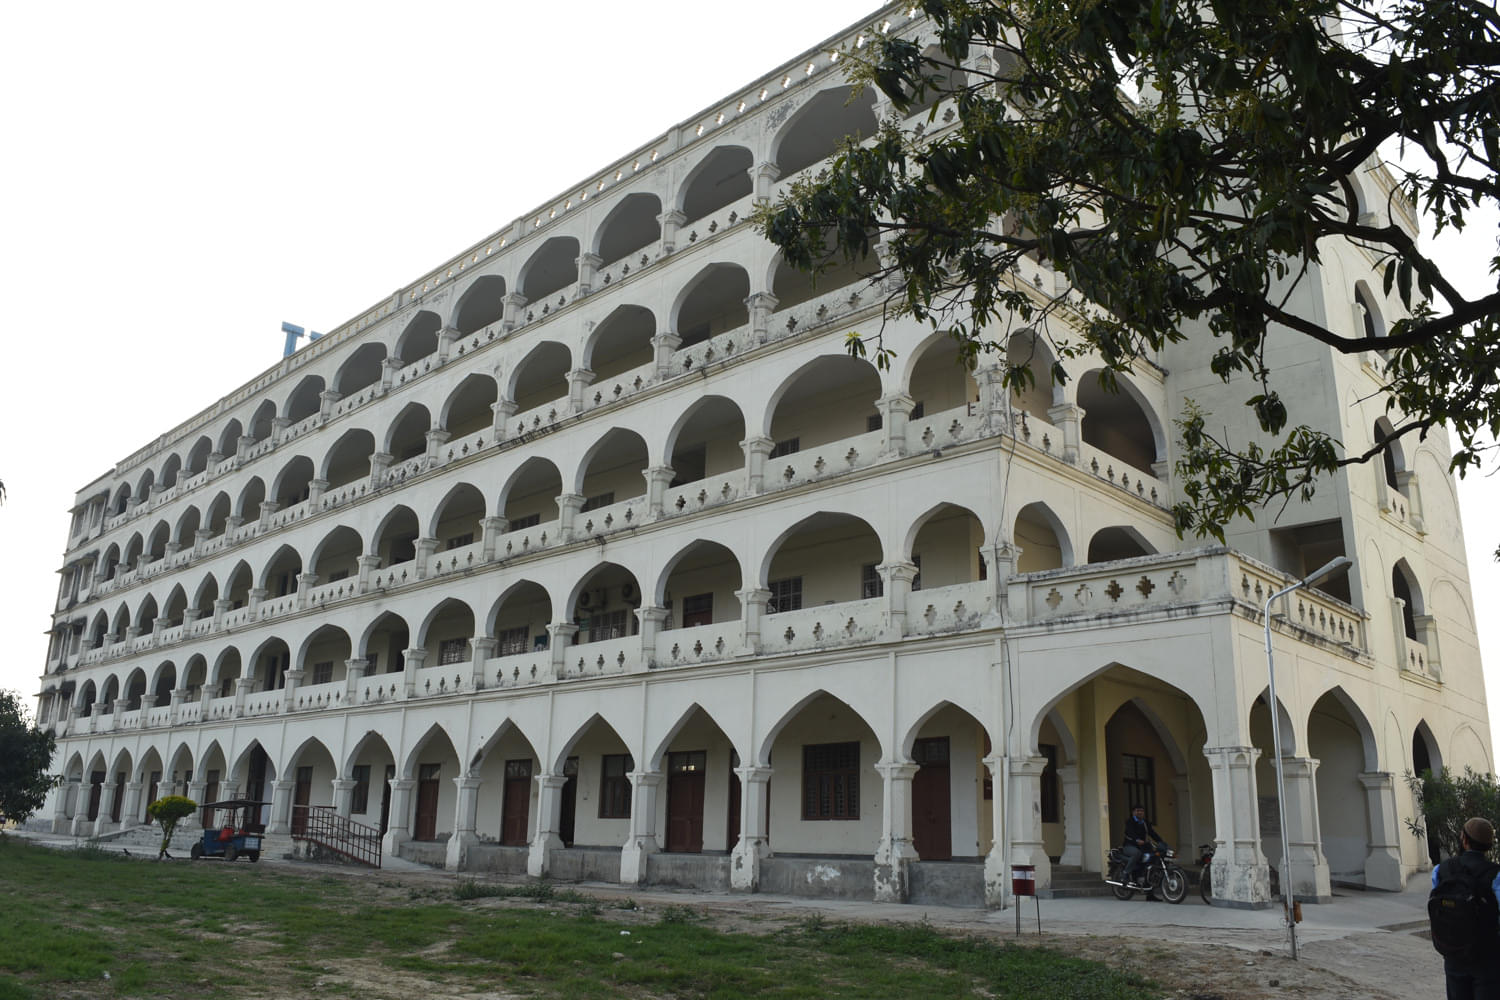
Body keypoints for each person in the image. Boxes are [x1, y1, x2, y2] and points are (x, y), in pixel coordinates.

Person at [1430, 817, 1500, 1000]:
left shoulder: (1441, 870)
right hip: (1488, 957)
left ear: (1464, 839)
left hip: (1453, 952)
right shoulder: (1495, 874)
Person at [1121, 805, 1165, 888]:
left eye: (1141, 811)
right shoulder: (1129, 822)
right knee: (1137, 853)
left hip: (1143, 846)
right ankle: (1125, 873)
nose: (1140, 812)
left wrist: (1161, 842)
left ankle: (1147, 879)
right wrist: (1137, 840)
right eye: (1138, 810)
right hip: (1129, 845)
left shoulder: (1145, 822)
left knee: (1153, 856)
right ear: (1133, 812)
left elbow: (1152, 833)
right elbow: (1130, 832)